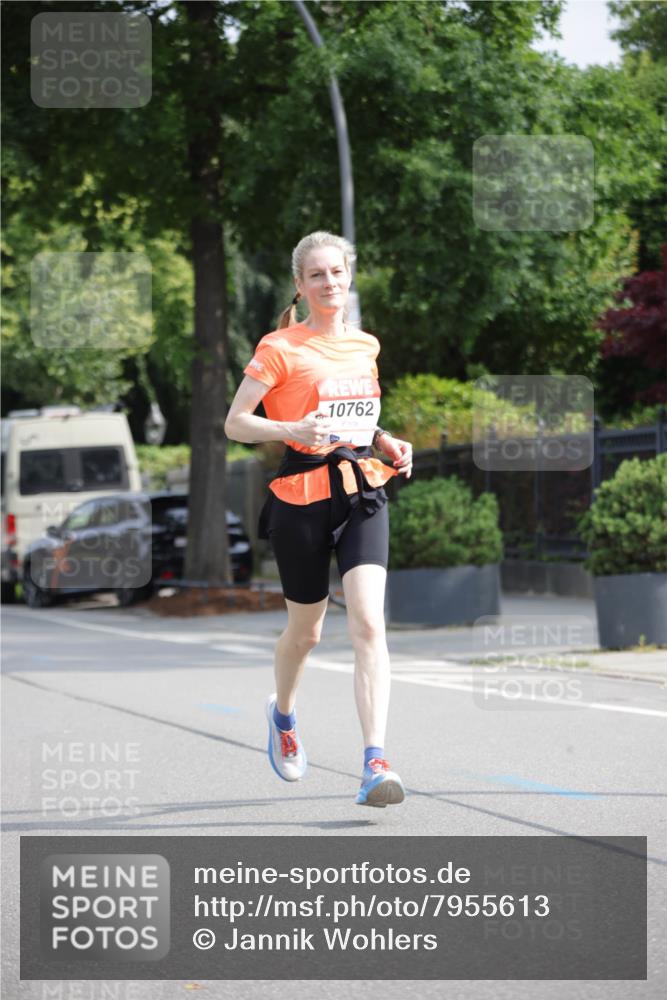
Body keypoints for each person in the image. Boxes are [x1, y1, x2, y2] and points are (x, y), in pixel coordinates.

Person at [224, 231, 413, 807]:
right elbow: (236, 422)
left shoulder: (365, 345)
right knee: (305, 634)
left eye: (336, 272)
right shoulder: (279, 346)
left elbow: (358, 417)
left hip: (361, 490)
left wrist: (384, 439)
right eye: (316, 275)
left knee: (369, 625)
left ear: (348, 276)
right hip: (300, 495)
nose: (329, 282)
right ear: (300, 285)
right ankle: (283, 715)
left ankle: (375, 762)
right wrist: (291, 429)